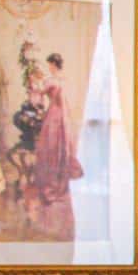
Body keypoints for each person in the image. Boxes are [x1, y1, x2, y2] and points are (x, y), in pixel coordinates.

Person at [28, 52, 83, 204]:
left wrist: (33, 85)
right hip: (63, 116)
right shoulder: (62, 80)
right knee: (56, 147)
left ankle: (54, 186)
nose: (49, 67)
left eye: (50, 64)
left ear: (53, 64)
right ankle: (58, 184)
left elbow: (37, 97)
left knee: (53, 147)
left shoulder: (51, 80)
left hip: (55, 116)